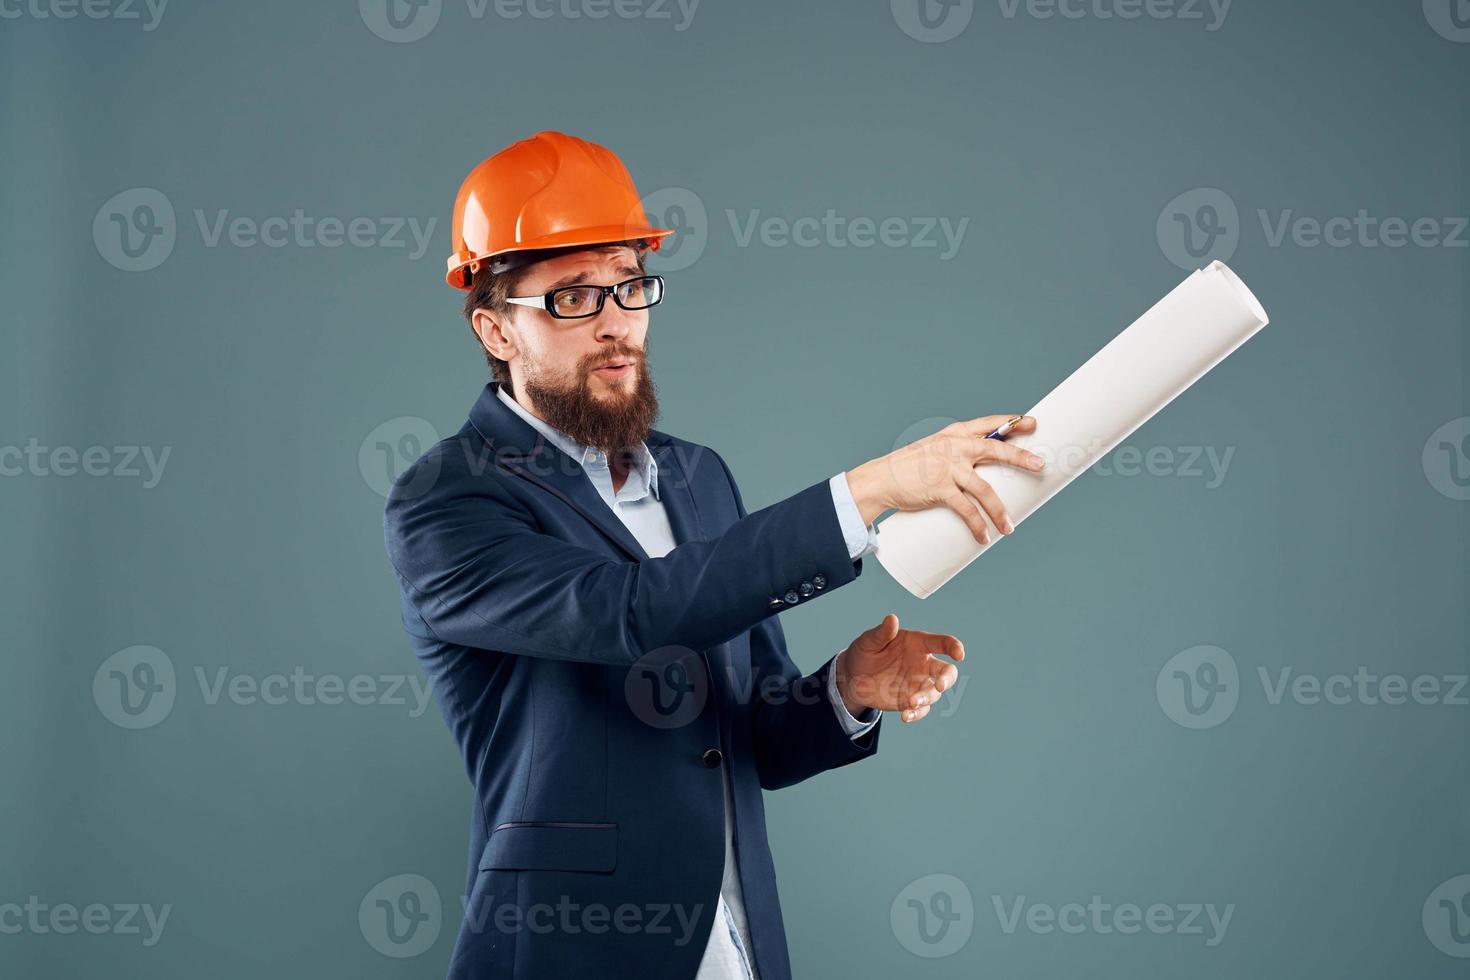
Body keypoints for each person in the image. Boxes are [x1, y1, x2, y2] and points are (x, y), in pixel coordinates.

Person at [382, 130, 1046, 980]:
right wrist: (868, 489)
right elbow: (629, 611)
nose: (616, 325)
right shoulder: (448, 498)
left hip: (735, 948)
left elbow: (754, 738)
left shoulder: (698, 477)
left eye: (629, 285)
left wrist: (843, 691)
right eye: (573, 298)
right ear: (496, 330)